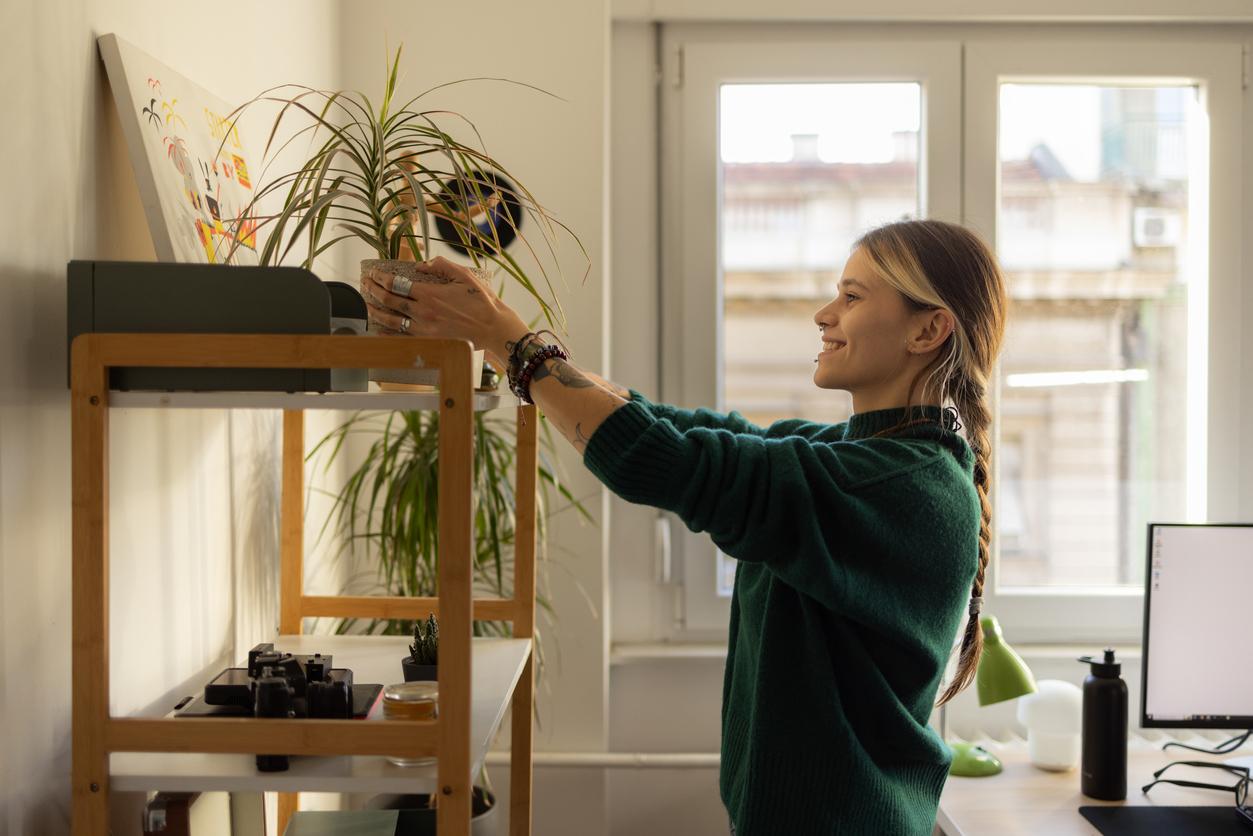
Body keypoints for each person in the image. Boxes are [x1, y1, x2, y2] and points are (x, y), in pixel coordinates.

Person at [362, 218, 1008, 835]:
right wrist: (518, 350)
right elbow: (693, 433)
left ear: (927, 331)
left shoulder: (890, 486)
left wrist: (512, 343)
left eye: (851, 296)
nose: (824, 314)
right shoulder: (860, 460)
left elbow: (661, 460)